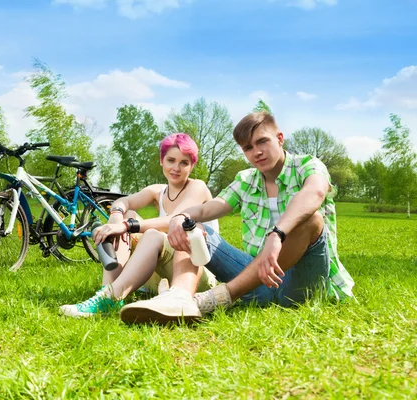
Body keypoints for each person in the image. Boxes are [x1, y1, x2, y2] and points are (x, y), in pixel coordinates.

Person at [119, 112, 355, 324]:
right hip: (257, 280)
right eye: (248, 148)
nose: (257, 152)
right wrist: (180, 217)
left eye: (262, 141)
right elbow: (210, 208)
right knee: (193, 227)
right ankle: (179, 298)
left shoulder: (307, 165)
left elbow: (314, 193)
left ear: (280, 138)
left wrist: (277, 234)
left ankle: (214, 298)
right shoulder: (246, 179)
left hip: (301, 284)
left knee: (312, 219)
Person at [59, 133, 219, 317]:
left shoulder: (197, 187)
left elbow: (175, 219)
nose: (176, 167)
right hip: (160, 277)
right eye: (171, 160)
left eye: (184, 162)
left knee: (151, 234)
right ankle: (107, 292)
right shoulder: (157, 191)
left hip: (194, 275)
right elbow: (124, 201)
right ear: (161, 161)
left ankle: (109, 297)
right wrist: (117, 216)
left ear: (192, 166)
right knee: (128, 214)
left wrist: (127, 226)